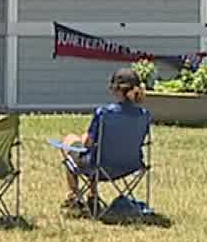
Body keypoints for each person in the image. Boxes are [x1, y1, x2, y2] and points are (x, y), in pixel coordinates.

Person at [59, 67, 149, 205]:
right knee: (96, 153)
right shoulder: (144, 115)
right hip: (130, 166)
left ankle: (75, 197)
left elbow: (88, 143)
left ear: (117, 90)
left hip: (100, 167)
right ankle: (92, 195)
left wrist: (83, 138)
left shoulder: (104, 113)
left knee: (70, 141)